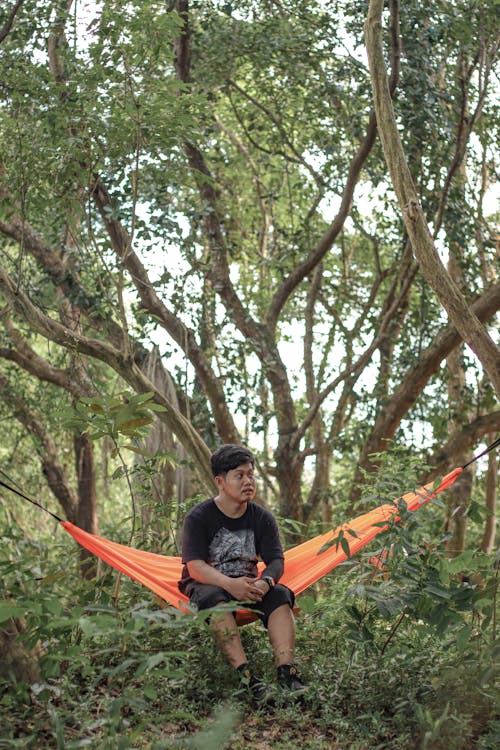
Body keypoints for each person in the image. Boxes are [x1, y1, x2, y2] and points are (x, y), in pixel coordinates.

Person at [178, 444, 306, 701]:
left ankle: (287, 674)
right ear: (220, 482)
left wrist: (266, 582)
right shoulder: (199, 517)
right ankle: (247, 678)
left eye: (251, 474)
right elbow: (195, 567)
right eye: (240, 475)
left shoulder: (262, 518)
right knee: (216, 598)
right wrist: (230, 584)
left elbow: (276, 561)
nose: (248, 481)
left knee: (280, 595)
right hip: (208, 585)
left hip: (249, 586)